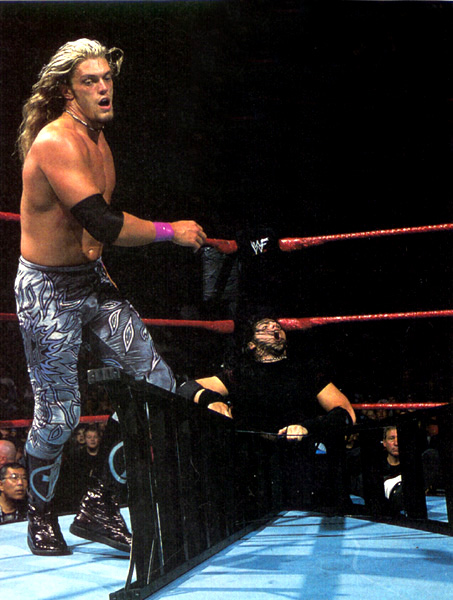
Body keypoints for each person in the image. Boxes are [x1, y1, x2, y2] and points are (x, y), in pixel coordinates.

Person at [14, 38, 206, 556]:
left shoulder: (97, 138)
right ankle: (39, 516)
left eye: (107, 79)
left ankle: (99, 504)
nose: (104, 89)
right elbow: (102, 221)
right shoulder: (57, 142)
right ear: (67, 91)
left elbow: (93, 236)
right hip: (47, 291)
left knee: (155, 384)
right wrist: (170, 231)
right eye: (90, 81)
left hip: (92, 281)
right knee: (60, 413)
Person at [178, 317, 356, 510]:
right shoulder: (239, 374)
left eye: (277, 326)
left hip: (300, 457)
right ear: (252, 344)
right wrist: (212, 400)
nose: (273, 327)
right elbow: (186, 387)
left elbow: (345, 411)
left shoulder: (305, 371)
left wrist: (308, 427)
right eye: (265, 327)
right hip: (255, 461)